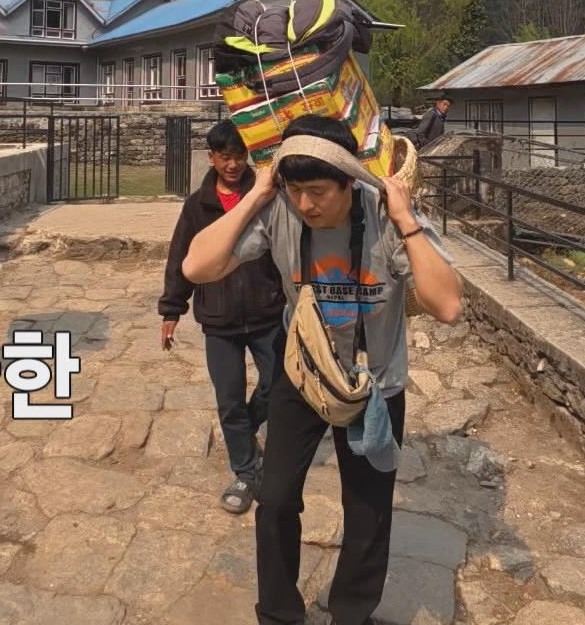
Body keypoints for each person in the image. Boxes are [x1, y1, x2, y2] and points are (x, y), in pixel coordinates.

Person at [181, 114, 464, 625]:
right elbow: (196, 267)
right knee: (274, 500)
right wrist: (260, 193)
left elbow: (447, 305)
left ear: (349, 182)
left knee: (368, 511)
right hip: (304, 377)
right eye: (296, 190)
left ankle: (351, 613)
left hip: (374, 386)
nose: (306, 204)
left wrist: (406, 219)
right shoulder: (281, 209)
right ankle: (278, 613)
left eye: (317, 192)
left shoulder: (384, 216)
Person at [159, 120, 287, 514]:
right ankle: (246, 471)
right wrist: (171, 310)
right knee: (229, 399)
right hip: (219, 319)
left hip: (267, 312)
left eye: (238, 156)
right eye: (224, 157)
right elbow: (180, 258)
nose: (232, 165)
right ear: (212, 157)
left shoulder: (266, 194)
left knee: (277, 385)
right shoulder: (198, 205)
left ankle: (245, 430)